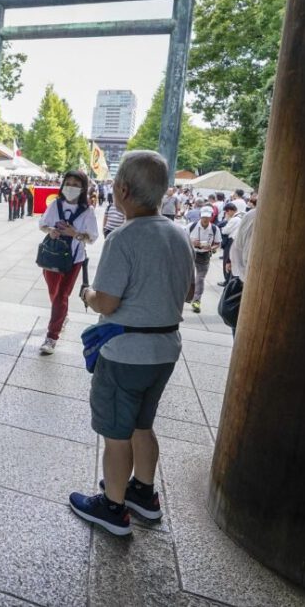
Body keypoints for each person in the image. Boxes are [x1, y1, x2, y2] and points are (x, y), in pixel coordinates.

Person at [69, 151, 194, 536]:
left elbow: (107, 302)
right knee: (143, 424)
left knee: (117, 435)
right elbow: (188, 292)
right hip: (165, 350)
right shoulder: (179, 234)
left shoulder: (123, 237)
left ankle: (113, 508)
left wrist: (88, 293)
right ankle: (143, 492)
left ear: (121, 190)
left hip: (125, 354)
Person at [37, 170, 99, 354]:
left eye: (76, 184)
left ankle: (52, 336)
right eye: (68, 183)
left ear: (83, 189)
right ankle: (62, 316)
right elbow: (42, 224)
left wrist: (75, 234)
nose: (71, 187)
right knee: (53, 293)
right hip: (51, 256)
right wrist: (51, 230)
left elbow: (92, 237)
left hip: (73, 260)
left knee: (61, 295)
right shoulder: (55, 205)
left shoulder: (88, 211)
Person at [188, 207, 221, 313]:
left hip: (205, 254)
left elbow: (217, 244)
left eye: (207, 217)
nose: (205, 219)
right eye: (203, 217)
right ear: (200, 216)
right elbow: (182, 239)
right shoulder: (191, 226)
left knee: (200, 278)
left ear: (211, 216)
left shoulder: (215, 229)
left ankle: (196, 301)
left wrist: (211, 248)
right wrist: (192, 242)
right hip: (191, 253)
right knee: (186, 276)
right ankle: (185, 297)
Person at [217, 203, 241, 285]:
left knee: (227, 260)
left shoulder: (234, 219)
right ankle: (229, 280)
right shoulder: (241, 216)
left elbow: (225, 231)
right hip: (237, 241)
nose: (226, 214)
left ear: (230, 211)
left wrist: (227, 220)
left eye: (226, 212)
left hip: (231, 241)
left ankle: (227, 280)